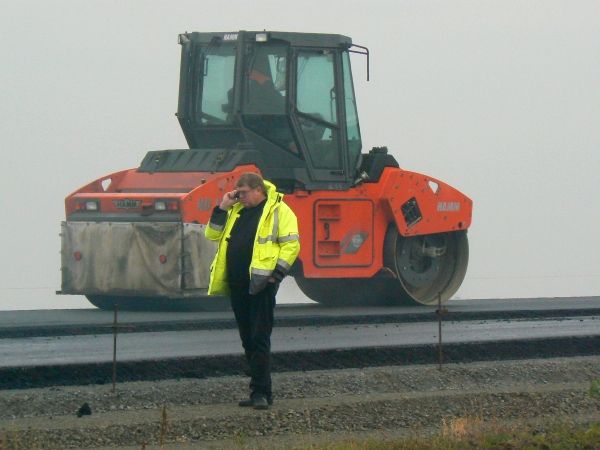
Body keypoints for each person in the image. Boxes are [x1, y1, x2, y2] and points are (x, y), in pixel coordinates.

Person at [205, 172, 300, 410]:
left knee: (259, 338)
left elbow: (291, 245)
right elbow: (212, 234)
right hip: (238, 284)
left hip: (261, 285)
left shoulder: (279, 211)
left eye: (243, 193)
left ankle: (261, 392)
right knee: (247, 339)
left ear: (259, 190)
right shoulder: (235, 211)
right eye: (238, 193)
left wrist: (276, 275)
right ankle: (258, 390)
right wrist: (222, 207)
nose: (240, 197)